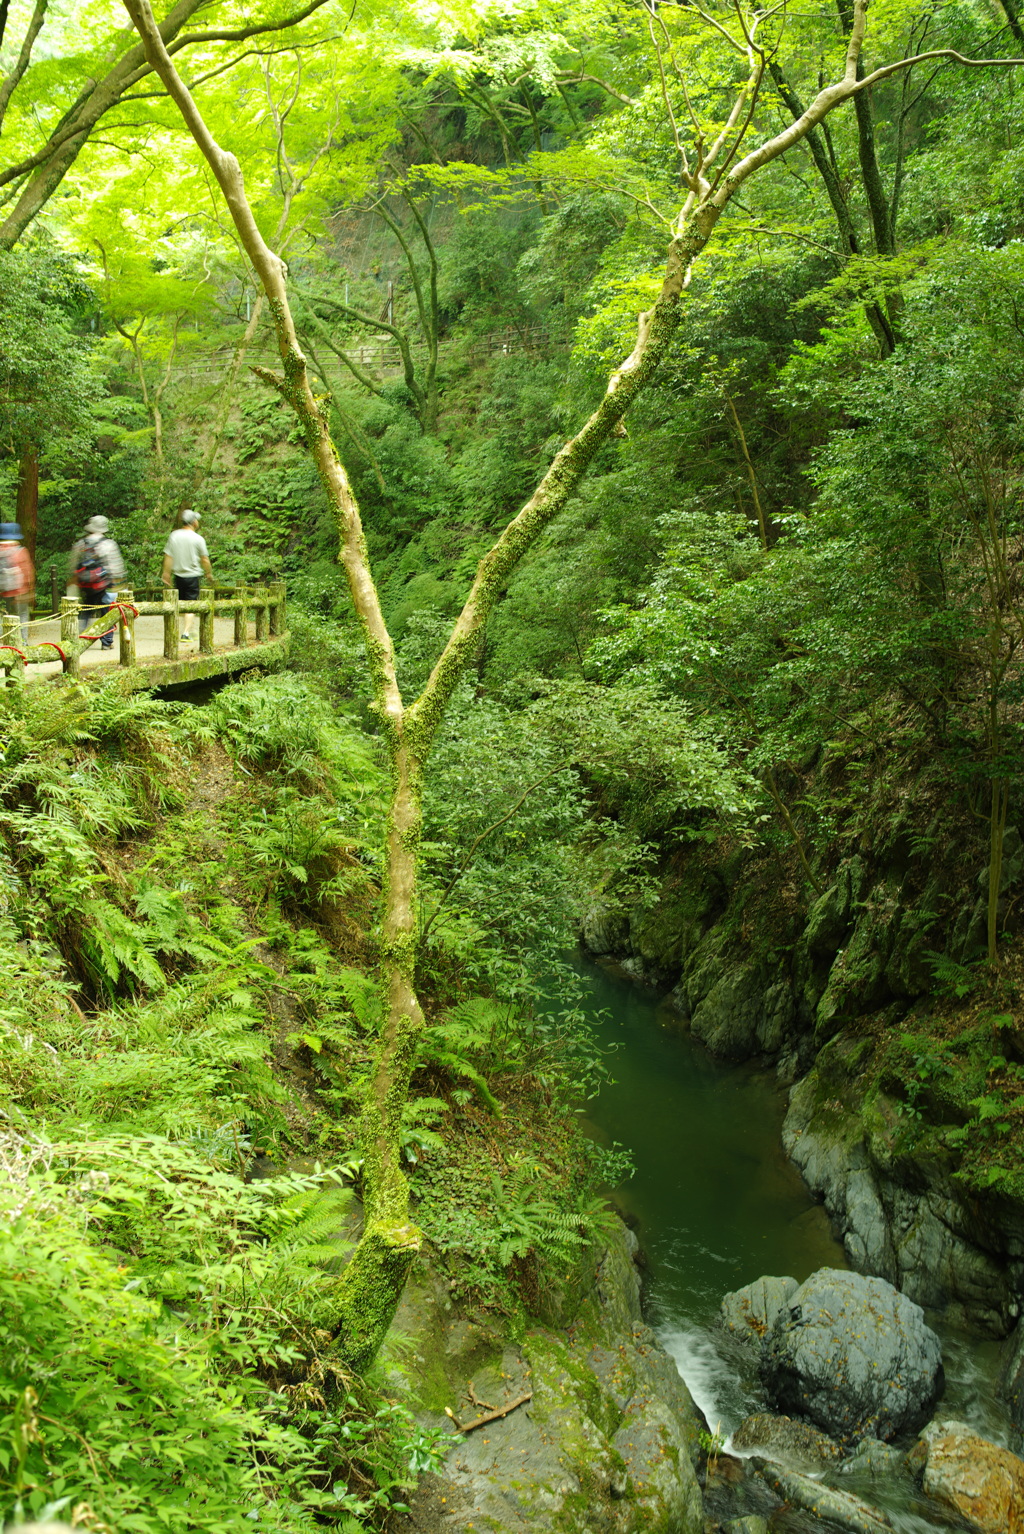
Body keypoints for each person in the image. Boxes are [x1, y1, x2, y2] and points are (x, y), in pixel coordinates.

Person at [70, 514, 125, 651]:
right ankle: (106, 642)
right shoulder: (108, 544)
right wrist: (118, 581)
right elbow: (115, 566)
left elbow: (73, 564)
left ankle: (80, 638)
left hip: (85, 583)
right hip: (102, 584)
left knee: (86, 610)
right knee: (106, 612)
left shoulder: (81, 544)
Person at [161, 509, 214, 643]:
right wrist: (208, 573)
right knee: (191, 605)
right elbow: (205, 559)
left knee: (181, 604)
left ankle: (188, 629)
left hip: (178, 575)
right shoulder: (198, 538)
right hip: (192, 576)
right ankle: (185, 633)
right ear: (194, 522)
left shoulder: (174, 535)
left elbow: (168, 556)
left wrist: (166, 573)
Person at [0, 522, 34, 643]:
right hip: (19, 591)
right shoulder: (20, 551)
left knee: (4, 615)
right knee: (22, 615)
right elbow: (27, 572)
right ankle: (23, 641)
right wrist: (29, 590)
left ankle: (3, 640)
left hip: (3, 591)